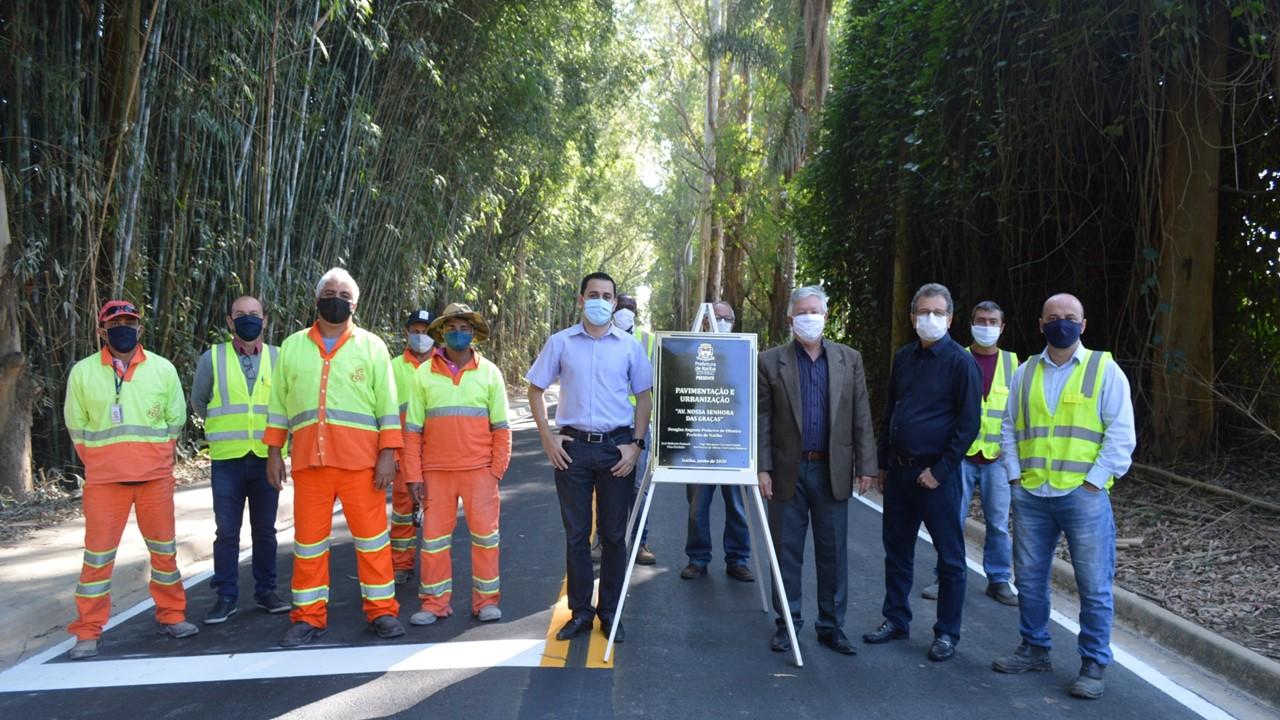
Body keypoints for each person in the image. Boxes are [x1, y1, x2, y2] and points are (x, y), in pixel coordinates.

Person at [991, 293, 1135, 700]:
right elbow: (1009, 427)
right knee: (1030, 580)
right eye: (1053, 317)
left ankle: (1093, 663)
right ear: (1041, 324)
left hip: (1083, 497)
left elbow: (1121, 435)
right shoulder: (1025, 373)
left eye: (1070, 317)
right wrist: (1015, 478)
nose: (1062, 323)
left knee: (1093, 584)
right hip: (1033, 495)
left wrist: (1094, 482)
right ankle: (1035, 647)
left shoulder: (1103, 370)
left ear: (1083, 325)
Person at [264, 268, 405, 647]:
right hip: (310, 462)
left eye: (344, 293)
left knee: (373, 541)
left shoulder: (373, 347)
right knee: (308, 545)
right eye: (330, 291)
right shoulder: (293, 347)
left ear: (355, 304)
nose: (336, 297)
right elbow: (278, 404)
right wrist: (274, 451)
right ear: (316, 299)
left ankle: (382, 611)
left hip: (361, 464)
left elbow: (387, 407)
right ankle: (308, 617)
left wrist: (388, 454)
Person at [63, 300, 199, 659]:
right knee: (97, 559)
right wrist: (103, 462)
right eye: (115, 322)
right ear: (101, 330)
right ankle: (88, 632)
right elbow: (76, 428)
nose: (123, 327)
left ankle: (173, 616)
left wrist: (155, 459)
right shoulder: (83, 372)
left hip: (154, 480)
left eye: (130, 321)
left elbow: (175, 420)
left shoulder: (162, 369)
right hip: (105, 483)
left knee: (164, 554)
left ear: (140, 329)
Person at [527, 272, 652, 644]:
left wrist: (637, 444)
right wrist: (547, 437)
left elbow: (644, 397)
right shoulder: (561, 343)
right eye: (593, 294)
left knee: (615, 536)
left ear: (615, 303)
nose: (600, 301)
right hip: (573, 450)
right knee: (577, 534)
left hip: (617, 450)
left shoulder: (629, 347)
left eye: (607, 296)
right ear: (581, 300)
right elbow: (535, 390)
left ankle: (610, 611)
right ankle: (580, 612)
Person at [863, 283, 980, 663]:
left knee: (950, 559)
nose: (929, 319)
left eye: (937, 313)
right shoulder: (904, 357)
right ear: (913, 317)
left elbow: (968, 425)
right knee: (897, 552)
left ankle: (947, 632)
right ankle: (896, 619)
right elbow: (891, 412)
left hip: (936, 478)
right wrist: (881, 463)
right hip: (898, 474)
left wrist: (941, 470)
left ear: (949, 318)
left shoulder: (961, 363)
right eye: (923, 312)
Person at [758, 286, 876, 655]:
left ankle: (831, 626)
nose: (809, 317)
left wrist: (866, 465)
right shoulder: (769, 361)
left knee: (833, 552)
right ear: (791, 319)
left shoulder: (848, 359)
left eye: (816, 311)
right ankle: (787, 623)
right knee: (785, 551)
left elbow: (861, 415)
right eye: (802, 312)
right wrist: (762, 467)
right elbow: (762, 419)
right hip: (785, 470)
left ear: (825, 317)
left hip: (831, 470)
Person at [401, 304, 511, 625]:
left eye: (464, 328)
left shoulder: (490, 373)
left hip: (480, 472)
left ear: (473, 333)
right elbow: (412, 431)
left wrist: (496, 471)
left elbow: (501, 428)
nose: (458, 333)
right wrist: (413, 475)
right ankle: (433, 603)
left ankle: (486, 601)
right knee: (433, 542)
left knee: (486, 538)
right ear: (442, 333)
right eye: (452, 328)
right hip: (435, 473)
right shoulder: (423, 374)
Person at [190, 295, 289, 624]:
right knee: (227, 532)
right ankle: (226, 596)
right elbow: (200, 402)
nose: (248, 319)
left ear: (265, 320)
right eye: (240, 315)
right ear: (230, 321)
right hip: (228, 460)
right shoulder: (212, 358)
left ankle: (266, 592)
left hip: (267, 457)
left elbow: (289, 403)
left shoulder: (279, 358)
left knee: (265, 530)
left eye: (254, 314)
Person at [920, 301, 1018, 606]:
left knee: (999, 523)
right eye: (980, 320)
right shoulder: (955, 358)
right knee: (951, 519)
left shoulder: (1015, 365)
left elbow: (1019, 414)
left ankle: (999, 580)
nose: (986, 326)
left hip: (997, 459)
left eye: (992, 321)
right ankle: (944, 577)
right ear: (971, 324)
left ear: (1002, 328)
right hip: (960, 456)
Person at [682, 301, 754, 583]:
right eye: (717, 317)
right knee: (697, 507)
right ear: (704, 322)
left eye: (727, 318)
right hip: (699, 445)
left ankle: (738, 560)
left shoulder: (745, 353)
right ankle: (697, 559)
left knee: (738, 506)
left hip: (734, 444)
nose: (722, 321)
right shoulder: (689, 354)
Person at [390, 309, 434, 585]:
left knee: (435, 509)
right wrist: (391, 450)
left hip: (436, 450)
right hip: (404, 450)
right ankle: (401, 564)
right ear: (406, 333)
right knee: (403, 511)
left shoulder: (443, 364)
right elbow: (385, 411)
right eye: (415, 331)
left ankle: (433, 565)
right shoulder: (392, 367)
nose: (420, 337)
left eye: (426, 331)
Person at [612, 293, 656, 566]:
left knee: (639, 487)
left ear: (636, 312)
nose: (625, 312)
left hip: (639, 425)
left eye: (630, 308)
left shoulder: (648, 340)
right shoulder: (601, 337)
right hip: (611, 425)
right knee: (607, 484)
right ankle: (605, 542)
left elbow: (658, 385)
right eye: (622, 307)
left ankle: (641, 541)